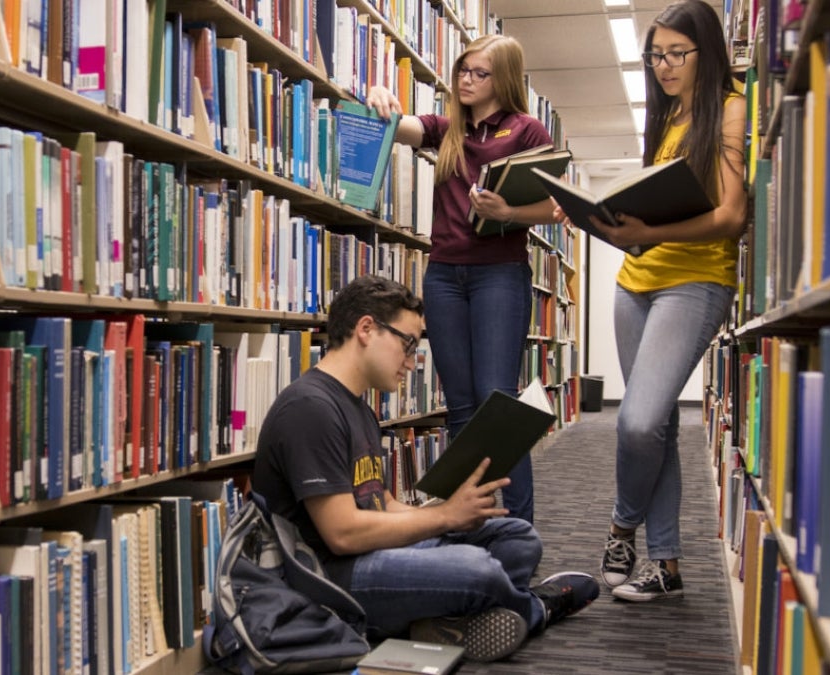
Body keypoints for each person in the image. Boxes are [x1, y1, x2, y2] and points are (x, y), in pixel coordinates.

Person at [250, 275, 599, 662]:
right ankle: (536, 609)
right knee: (476, 569)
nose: (413, 361)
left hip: (373, 555)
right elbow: (343, 534)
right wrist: (443, 518)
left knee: (517, 538)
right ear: (366, 329)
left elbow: (380, 503)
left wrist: (444, 516)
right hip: (331, 578)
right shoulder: (310, 408)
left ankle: (440, 622)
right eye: (409, 344)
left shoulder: (359, 407)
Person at [553, 0, 747, 602]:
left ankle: (620, 526)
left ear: (706, 51)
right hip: (635, 284)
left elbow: (732, 216)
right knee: (656, 423)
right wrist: (601, 218)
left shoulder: (732, 110)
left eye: (676, 54)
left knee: (636, 422)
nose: (664, 67)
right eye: (656, 55)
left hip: (695, 281)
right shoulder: (666, 121)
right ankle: (665, 565)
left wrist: (648, 233)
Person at [365, 34, 560, 523]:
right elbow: (399, 125)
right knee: (460, 407)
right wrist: (379, 96)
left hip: (499, 273)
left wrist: (510, 211)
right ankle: (470, 520)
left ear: (504, 78)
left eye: (480, 73)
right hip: (445, 276)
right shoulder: (447, 128)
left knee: (498, 403)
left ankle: (518, 525)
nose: (466, 81)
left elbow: (557, 208)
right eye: (463, 71)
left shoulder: (527, 130)